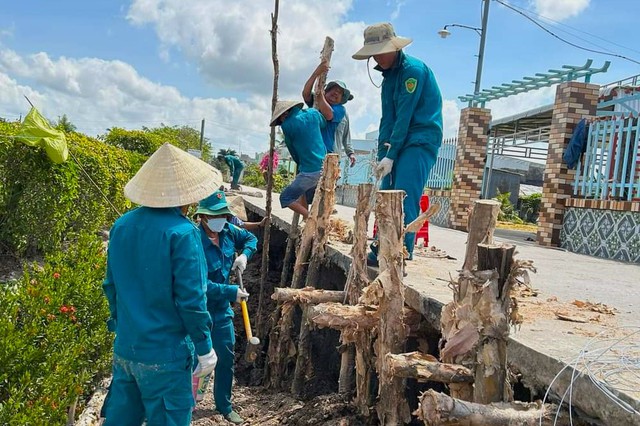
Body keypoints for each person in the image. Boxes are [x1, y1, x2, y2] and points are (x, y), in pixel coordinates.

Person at [102, 143, 222, 425]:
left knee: (121, 419)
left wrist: (122, 327)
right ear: (186, 194)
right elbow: (192, 300)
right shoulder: (182, 233)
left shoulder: (121, 225)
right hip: (165, 356)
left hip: (127, 348)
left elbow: (111, 286)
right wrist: (204, 347)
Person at [352, 22, 443, 263]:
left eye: (382, 51)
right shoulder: (389, 77)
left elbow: (404, 116)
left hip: (420, 139)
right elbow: (388, 118)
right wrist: (384, 153)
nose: (378, 58)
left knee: (404, 194)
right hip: (399, 140)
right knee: (386, 194)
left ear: (394, 47)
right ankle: (384, 246)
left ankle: (401, 252)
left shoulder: (413, 71)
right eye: (375, 53)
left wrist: (392, 156)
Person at [194, 190, 257, 424]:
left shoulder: (229, 231)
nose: (220, 220)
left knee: (225, 358)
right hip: (197, 311)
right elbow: (197, 285)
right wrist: (232, 291)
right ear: (202, 217)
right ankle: (187, 403)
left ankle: (224, 404)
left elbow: (251, 239)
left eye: (223, 215)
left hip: (221, 312)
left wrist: (245, 256)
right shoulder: (192, 241)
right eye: (215, 216)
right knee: (193, 359)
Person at [270, 96, 332, 219]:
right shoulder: (313, 113)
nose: (281, 122)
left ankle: (310, 217)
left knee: (286, 198)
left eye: (280, 119)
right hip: (326, 166)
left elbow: (293, 151)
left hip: (310, 171)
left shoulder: (286, 126)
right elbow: (324, 124)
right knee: (313, 196)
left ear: (285, 114)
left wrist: (300, 163)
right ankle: (318, 216)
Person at [302, 62, 357, 168]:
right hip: (312, 153)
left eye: (340, 92)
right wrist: (316, 73)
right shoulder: (316, 103)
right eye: (334, 89)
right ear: (326, 92)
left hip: (330, 157)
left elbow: (329, 116)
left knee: (327, 183)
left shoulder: (340, 110)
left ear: (342, 99)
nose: (336, 93)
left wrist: (350, 153)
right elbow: (306, 94)